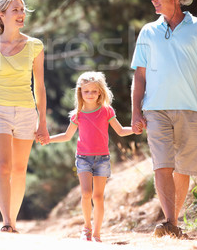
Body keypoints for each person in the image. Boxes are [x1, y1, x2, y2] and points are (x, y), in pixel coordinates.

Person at [130, 0, 197, 238]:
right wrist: (135, 110)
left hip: (190, 109)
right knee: (162, 165)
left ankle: (173, 222)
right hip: (155, 109)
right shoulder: (148, 31)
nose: (153, 0)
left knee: (183, 169)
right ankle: (170, 221)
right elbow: (139, 74)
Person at [0, 0, 50, 233]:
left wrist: (43, 122)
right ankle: (7, 221)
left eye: (22, 9)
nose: (21, 14)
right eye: (15, 10)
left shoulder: (34, 45)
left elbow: (39, 86)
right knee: (3, 166)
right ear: (2, 15)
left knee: (19, 169)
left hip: (27, 112)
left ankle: (13, 220)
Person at [44, 71, 135, 242]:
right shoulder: (77, 114)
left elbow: (121, 131)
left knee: (98, 196)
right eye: (86, 91)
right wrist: (49, 139)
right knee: (86, 193)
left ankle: (97, 233)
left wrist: (136, 129)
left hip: (102, 159)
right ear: (80, 92)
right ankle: (87, 227)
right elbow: (66, 135)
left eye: (94, 91)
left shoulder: (107, 111)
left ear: (100, 91)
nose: (90, 94)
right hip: (83, 158)